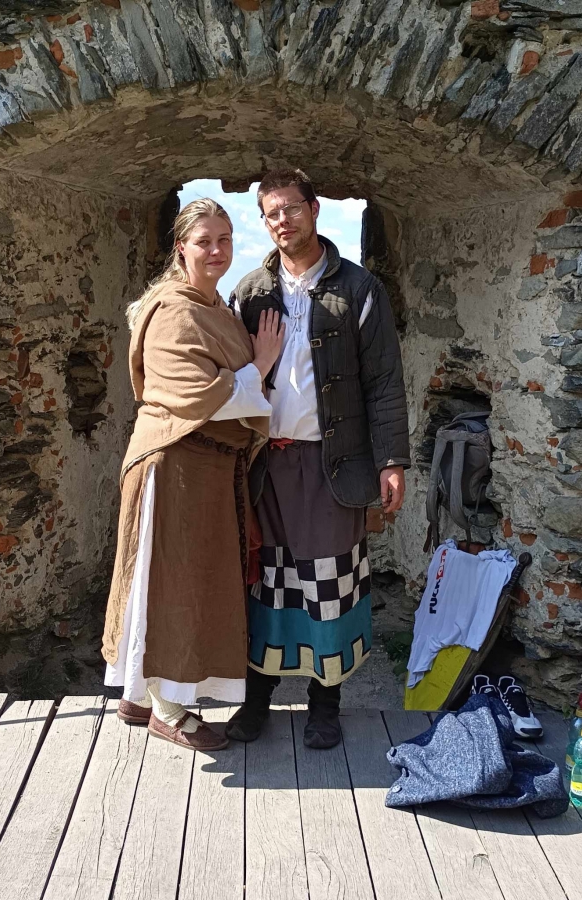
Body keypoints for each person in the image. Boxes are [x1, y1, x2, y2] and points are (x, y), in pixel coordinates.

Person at [226, 169, 410, 750]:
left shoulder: (359, 289)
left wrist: (392, 461)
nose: (283, 220)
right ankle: (256, 699)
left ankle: (324, 705)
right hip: (266, 468)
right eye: (272, 213)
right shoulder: (250, 292)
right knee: (265, 583)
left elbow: (384, 382)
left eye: (291, 208)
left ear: (314, 209)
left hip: (334, 465)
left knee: (327, 585)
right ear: (264, 222)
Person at [102, 198, 284, 751]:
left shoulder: (215, 307)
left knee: (179, 583)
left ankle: (139, 694)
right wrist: (261, 364)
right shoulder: (173, 311)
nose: (216, 251)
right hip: (174, 463)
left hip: (204, 467)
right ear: (181, 247)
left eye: (224, 240)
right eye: (204, 241)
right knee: (172, 587)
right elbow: (203, 395)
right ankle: (169, 712)